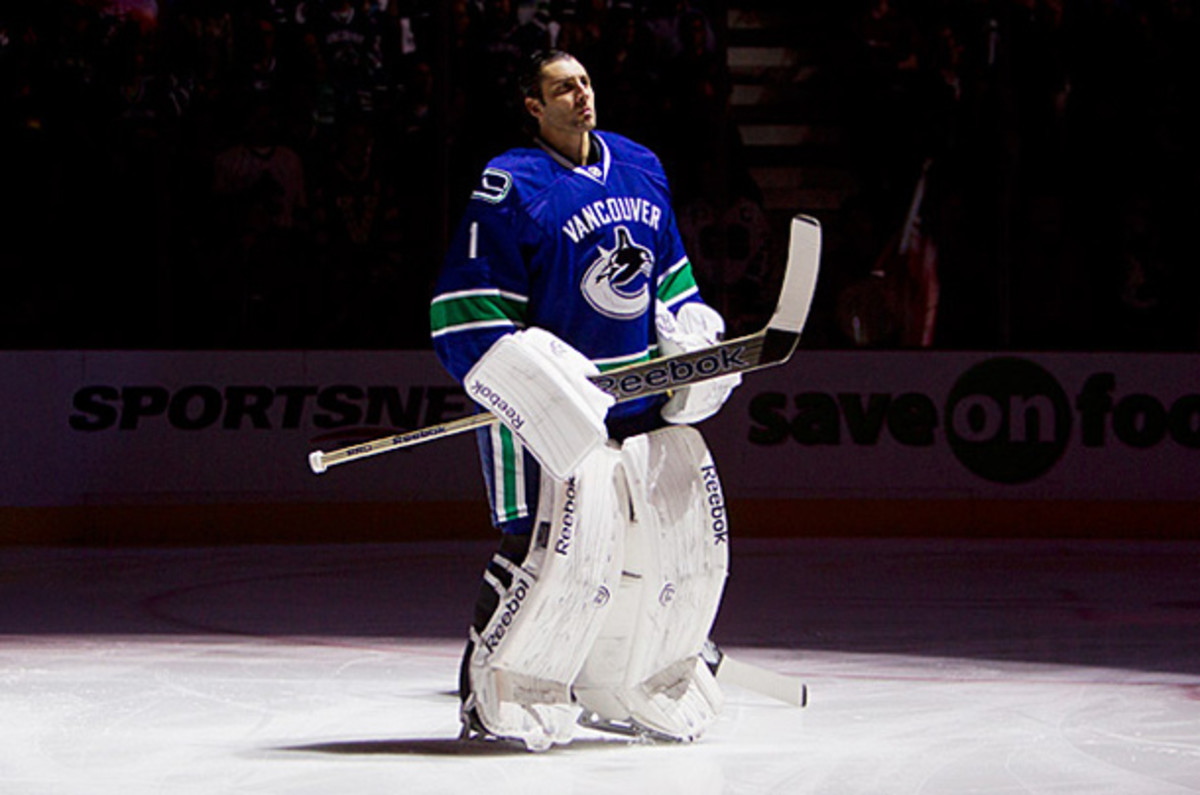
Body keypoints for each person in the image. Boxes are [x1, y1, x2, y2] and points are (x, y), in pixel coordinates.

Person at [430, 49, 740, 751]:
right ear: (534, 107)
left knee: (661, 539)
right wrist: (530, 375)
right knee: (545, 547)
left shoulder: (640, 164)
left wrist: (688, 334)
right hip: (551, 415)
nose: (580, 94)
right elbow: (463, 310)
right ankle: (494, 691)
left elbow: (670, 278)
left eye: (585, 82)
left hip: (636, 406)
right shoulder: (509, 183)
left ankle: (629, 675)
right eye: (561, 88)